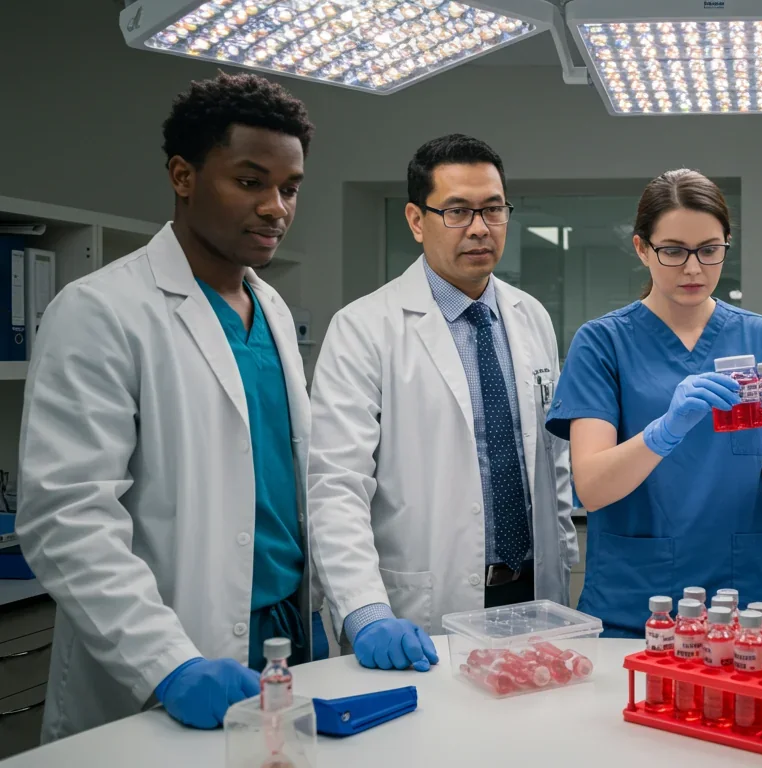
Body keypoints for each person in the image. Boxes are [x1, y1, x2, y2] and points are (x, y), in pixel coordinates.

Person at [16, 72, 326, 740]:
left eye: (290, 188)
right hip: (167, 653)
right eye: (250, 181)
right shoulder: (102, 311)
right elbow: (66, 517)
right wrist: (168, 664)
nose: (276, 207)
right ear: (183, 176)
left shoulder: (270, 309)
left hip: (283, 639)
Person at [308, 134, 576, 672]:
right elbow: (336, 485)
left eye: (493, 209)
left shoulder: (531, 318)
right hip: (424, 606)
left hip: (532, 593)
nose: (479, 227)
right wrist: (364, 610)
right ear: (416, 219)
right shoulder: (365, 328)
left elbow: (553, 462)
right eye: (457, 211)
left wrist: (563, 558)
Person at [545, 169, 762, 638]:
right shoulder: (603, 343)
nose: (693, 269)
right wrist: (663, 432)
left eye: (709, 250)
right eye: (673, 251)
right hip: (639, 603)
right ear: (641, 249)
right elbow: (590, 487)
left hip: (746, 601)